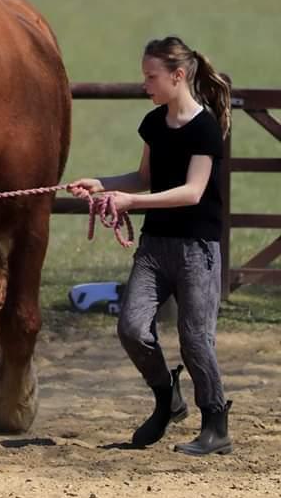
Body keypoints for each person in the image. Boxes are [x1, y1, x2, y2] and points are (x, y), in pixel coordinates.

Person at [69, 36, 233, 456]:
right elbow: (144, 177)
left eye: (151, 76)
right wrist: (102, 184)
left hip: (197, 249)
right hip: (155, 247)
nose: (145, 84)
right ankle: (167, 398)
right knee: (131, 329)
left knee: (196, 339)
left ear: (178, 76)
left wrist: (130, 202)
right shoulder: (154, 124)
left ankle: (216, 424)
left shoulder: (205, 129)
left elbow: (192, 192)